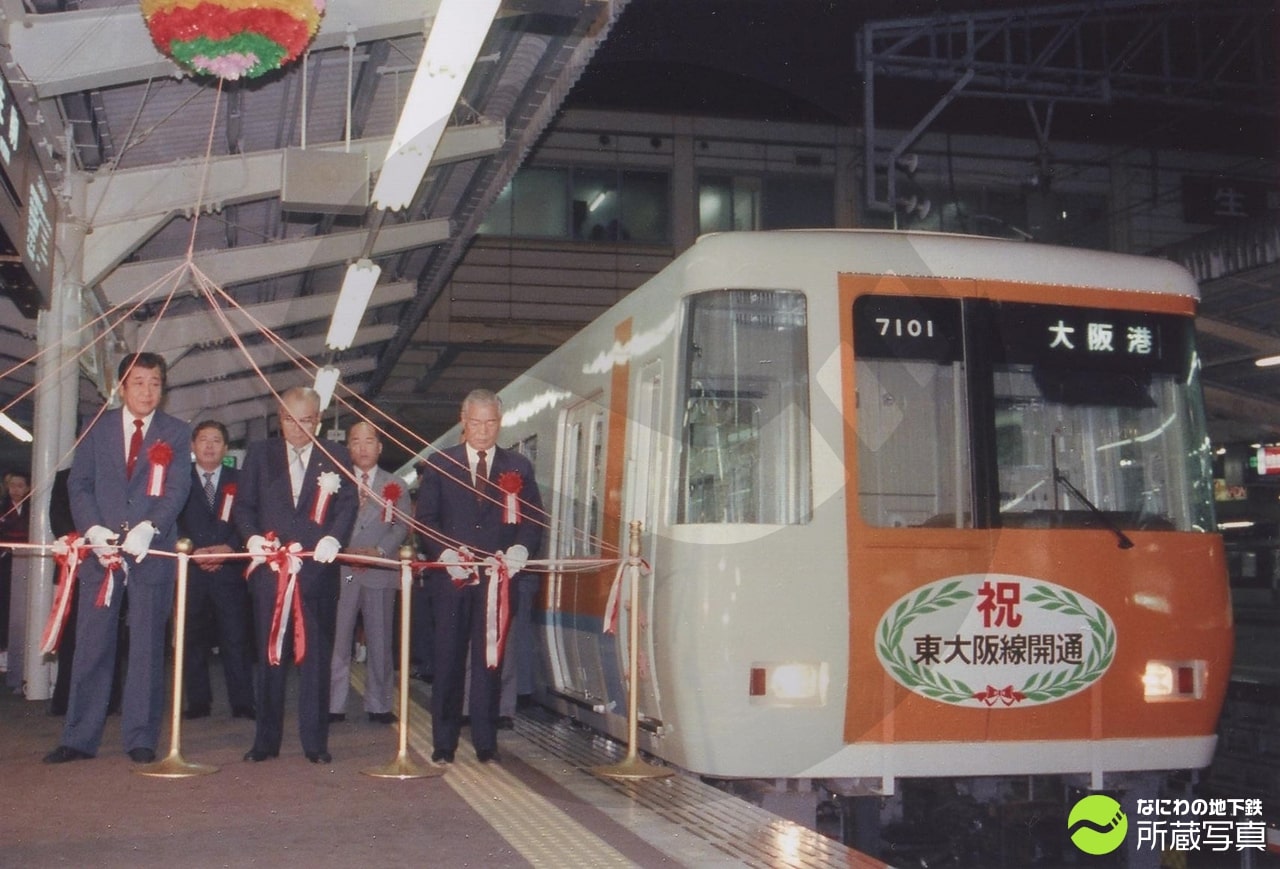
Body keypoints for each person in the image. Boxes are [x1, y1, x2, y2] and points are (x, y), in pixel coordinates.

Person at [44, 352, 192, 764]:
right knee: (92, 645)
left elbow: (177, 489)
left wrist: (150, 527)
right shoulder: (97, 428)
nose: (147, 391)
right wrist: (92, 529)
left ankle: (141, 736)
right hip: (102, 553)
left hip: (152, 551)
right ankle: (78, 737)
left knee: (146, 646)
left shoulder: (177, 432)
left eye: (155, 383)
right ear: (122, 387)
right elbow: (80, 484)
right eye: (139, 382)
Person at [414, 388, 543, 764]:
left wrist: (521, 548)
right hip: (452, 581)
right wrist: (446, 554)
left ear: (499, 423)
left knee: (490, 661)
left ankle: (486, 741)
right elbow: (426, 520)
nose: (483, 431)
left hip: (497, 582)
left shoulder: (518, 466)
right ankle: (444, 741)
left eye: (490, 423)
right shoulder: (440, 463)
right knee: (448, 658)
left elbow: (534, 520)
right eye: (475, 423)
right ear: (463, 421)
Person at [234, 387, 357, 764]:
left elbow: (347, 504)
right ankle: (265, 742)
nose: (297, 428)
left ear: (318, 421)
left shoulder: (335, 456)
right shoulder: (260, 454)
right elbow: (244, 505)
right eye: (289, 419)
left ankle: (316, 743)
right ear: (279, 418)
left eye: (306, 420)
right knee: (269, 657)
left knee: (316, 661)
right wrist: (252, 536)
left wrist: (335, 539)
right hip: (271, 574)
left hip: (317, 574)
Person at [329, 421, 410, 725]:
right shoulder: (335, 481)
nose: (362, 448)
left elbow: (401, 527)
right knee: (338, 641)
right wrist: (346, 552)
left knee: (380, 640)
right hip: (342, 571)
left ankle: (379, 704)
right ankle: (333, 704)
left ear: (379, 447)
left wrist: (377, 552)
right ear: (348, 447)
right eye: (356, 441)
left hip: (379, 571)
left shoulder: (397, 485)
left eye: (369, 441)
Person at [177, 420, 255, 721]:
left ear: (225, 447)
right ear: (193, 446)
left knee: (236, 638)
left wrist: (230, 548)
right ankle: (198, 702)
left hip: (229, 572)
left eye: (216, 440)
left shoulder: (240, 479)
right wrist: (191, 549)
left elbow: (248, 518)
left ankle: (243, 702)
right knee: (191, 639)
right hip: (192, 571)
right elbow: (173, 520)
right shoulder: (179, 479)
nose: (209, 446)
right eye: (203, 440)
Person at [0, 469, 30, 676]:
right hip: (5, 560)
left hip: (27, 560)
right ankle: (3, 652)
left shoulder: (33, 508)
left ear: (28, 488)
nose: (15, 490)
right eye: (12, 486)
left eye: (20, 486)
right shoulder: (2, 507)